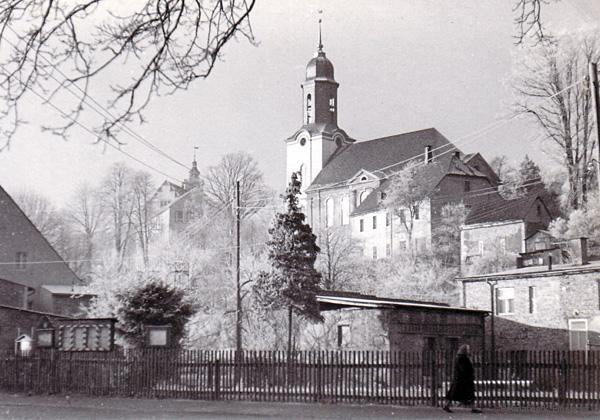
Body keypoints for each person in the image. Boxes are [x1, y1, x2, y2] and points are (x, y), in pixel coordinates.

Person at [443, 344, 482, 414]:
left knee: (454, 393)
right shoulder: (462, 358)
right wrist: (469, 373)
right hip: (463, 379)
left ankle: (447, 405)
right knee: (468, 393)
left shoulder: (461, 357)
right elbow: (463, 369)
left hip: (460, 379)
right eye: (468, 349)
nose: (469, 351)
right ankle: (473, 408)